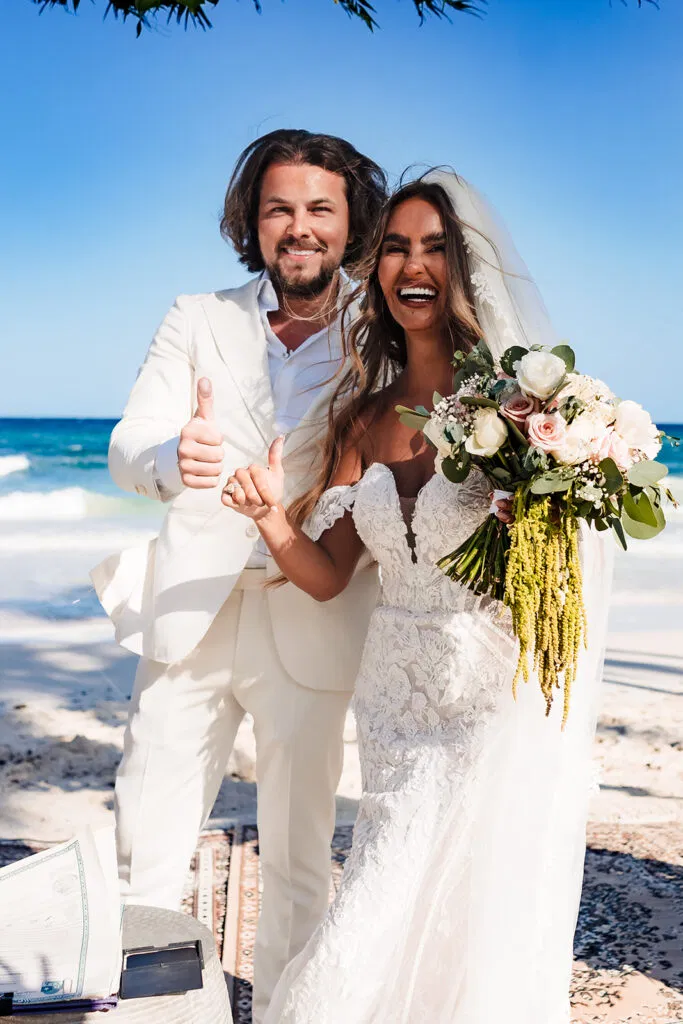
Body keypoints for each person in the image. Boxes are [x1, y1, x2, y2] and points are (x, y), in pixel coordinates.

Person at [222, 172, 614, 1023]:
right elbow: (327, 576)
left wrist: (538, 507)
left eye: (434, 246)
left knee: (470, 894)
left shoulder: (519, 406)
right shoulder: (361, 417)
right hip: (396, 695)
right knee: (385, 876)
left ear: (463, 268)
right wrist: (264, 517)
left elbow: (551, 564)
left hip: (488, 690)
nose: (413, 263)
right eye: (396, 245)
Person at [90, 128, 387, 1023]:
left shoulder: (379, 331)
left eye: (319, 210)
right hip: (191, 611)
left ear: (349, 223)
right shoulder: (195, 316)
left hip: (313, 605)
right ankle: (154, 1013)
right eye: (278, 210)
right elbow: (125, 446)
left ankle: (290, 1010)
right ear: (251, 223)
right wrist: (178, 456)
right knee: (148, 833)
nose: (298, 227)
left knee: (300, 855)